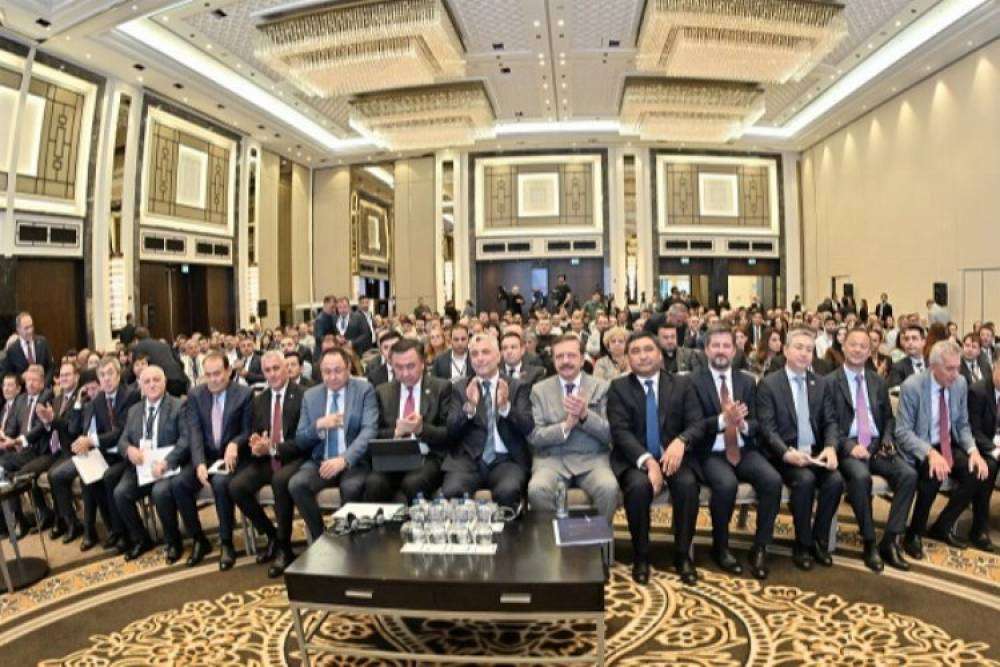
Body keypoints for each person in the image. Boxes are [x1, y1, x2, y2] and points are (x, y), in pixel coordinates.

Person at [685, 325, 783, 579]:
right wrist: (723, 420)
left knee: (772, 480)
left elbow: (758, 424)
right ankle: (721, 547)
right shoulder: (692, 382)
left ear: (734, 350)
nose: (721, 351)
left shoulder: (747, 381)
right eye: (715, 346)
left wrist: (743, 425)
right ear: (706, 350)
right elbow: (693, 424)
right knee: (726, 485)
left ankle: (760, 547)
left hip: (743, 447)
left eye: (726, 346)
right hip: (711, 450)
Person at [607, 331, 699, 584]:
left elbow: (696, 422)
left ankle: (682, 555)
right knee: (638, 488)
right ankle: (641, 556)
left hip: (674, 456)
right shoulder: (618, 388)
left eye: (648, 350)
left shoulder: (682, 384)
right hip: (635, 458)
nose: (643, 356)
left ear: (659, 355)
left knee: (688, 485)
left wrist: (681, 441)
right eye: (635, 352)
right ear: (627, 359)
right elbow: (620, 432)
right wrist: (648, 462)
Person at [757, 327, 843, 571]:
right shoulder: (769, 384)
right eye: (799, 348)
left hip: (814, 452)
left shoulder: (820, 384)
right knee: (805, 480)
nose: (804, 353)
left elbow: (830, 421)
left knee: (835, 481)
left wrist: (830, 447)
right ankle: (802, 544)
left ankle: (818, 539)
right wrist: (786, 453)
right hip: (783, 454)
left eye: (809, 349)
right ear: (785, 351)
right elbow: (767, 429)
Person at [832, 328, 917, 571]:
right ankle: (869, 542)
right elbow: (827, 424)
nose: (858, 350)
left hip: (877, 445)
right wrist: (849, 446)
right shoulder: (830, 382)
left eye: (863, 346)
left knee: (908, 475)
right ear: (844, 347)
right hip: (848, 447)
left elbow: (888, 418)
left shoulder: (878, 381)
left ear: (870, 351)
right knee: (861, 478)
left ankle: (890, 540)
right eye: (853, 344)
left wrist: (887, 439)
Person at [896, 340, 990, 558]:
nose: (956, 374)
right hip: (921, 446)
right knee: (934, 473)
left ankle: (942, 526)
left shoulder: (960, 383)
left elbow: (962, 424)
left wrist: (973, 451)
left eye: (958, 367)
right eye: (950, 368)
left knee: (976, 471)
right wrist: (930, 453)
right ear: (933, 366)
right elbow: (903, 432)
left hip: (947, 444)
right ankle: (914, 533)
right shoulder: (912, 386)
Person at [228, 350, 307, 578]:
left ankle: (284, 548)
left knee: (279, 481)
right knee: (236, 486)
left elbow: (303, 441)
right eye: (267, 370)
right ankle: (272, 535)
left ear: (286, 369)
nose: (272, 374)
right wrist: (256, 444)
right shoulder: (259, 400)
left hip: (294, 458)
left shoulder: (303, 395)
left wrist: (272, 447)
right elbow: (255, 432)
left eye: (276, 368)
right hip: (266, 459)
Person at [527, 335, 618, 522]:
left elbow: (610, 435)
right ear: (553, 360)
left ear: (582, 359)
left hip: (592, 459)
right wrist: (566, 426)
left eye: (571, 355)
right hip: (552, 460)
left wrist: (585, 415)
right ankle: (554, 537)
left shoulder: (601, 387)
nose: (565, 361)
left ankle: (595, 539)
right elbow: (535, 436)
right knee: (537, 490)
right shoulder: (539, 390)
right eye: (559, 356)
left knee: (609, 488)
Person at [291, 347, 378, 540]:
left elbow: (369, 430)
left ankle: (351, 542)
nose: (332, 377)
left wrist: (344, 459)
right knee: (297, 484)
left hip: (354, 462)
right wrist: (319, 425)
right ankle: (321, 538)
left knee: (351, 488)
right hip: (321, 461)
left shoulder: (364, 390)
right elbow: (300, 439)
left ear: (348, 368)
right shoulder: (311, 396)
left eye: (338, 371)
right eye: (327, 372)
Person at [177, 352, 253, 569]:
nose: (213, 379)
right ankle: (199, 539)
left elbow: (248, 431)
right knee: (179, 484)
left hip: (233, 457)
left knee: (220, 483)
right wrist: (199, 463)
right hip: (207, 456)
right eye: (208, 375)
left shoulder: (244, 394)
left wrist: (235, 443)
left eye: (217, 374)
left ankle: (226, 542)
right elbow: (195, 432)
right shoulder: (195, 395)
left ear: (228, 371)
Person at [442, 333, 533, 509]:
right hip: (468, 461)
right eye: (474, 354)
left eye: (485, 352)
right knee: (452, 490)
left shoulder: (516, 386)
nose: (480, 358)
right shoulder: (460, 388)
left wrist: (505, 408)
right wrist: (470, 406)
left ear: (498, 356)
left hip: (506, 460)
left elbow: (528, 426)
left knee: (508, 491)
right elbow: (451, 430)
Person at [112, 365, 190, 560]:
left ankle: (173, 541)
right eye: (147, 381)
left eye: (156, 380)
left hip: (167, 467)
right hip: (142, 468)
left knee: (160, 492)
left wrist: (167, 462)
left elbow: (185, 440)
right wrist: (128, 450)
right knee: (120, 493)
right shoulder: (134, 410)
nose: (152, 385)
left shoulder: (179, 406)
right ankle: (141, 539)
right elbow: (122, 440)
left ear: (165, 382)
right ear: (140, 386)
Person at [364, 338, 451, 503]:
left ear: (423, 363)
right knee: (374, 483)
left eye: (410, 366)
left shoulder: (441, 388)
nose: (404, 373)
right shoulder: (382, 392)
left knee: (413, 483)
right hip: (392, 457)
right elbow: (373, 433)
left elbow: (448, 434)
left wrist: (421, 429)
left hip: (427, 456)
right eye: (399, 367)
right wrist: (396, 432)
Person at [965, 362, 1000, 552]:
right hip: (982, 445)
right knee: (990, 467)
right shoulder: (977, 391)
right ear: (995, 367)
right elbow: (974, 430)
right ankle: (979, 528)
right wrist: (994, 449)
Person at [131, 327, 189, 397]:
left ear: (136, 339)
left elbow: (134, 367)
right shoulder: (163, 345)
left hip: (165, 382)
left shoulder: (138, 346)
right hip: (180, 379)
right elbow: (180, 363)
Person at [3, 312, 54, 383]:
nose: (30, 330)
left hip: (44, 387)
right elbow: (8, 374)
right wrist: (21, 377)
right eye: (26, 328)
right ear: (18, 329)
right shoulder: (12, 350)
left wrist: (44, 384)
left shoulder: (42, 342)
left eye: (31, 326)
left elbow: (51, 367)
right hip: (24, 388)